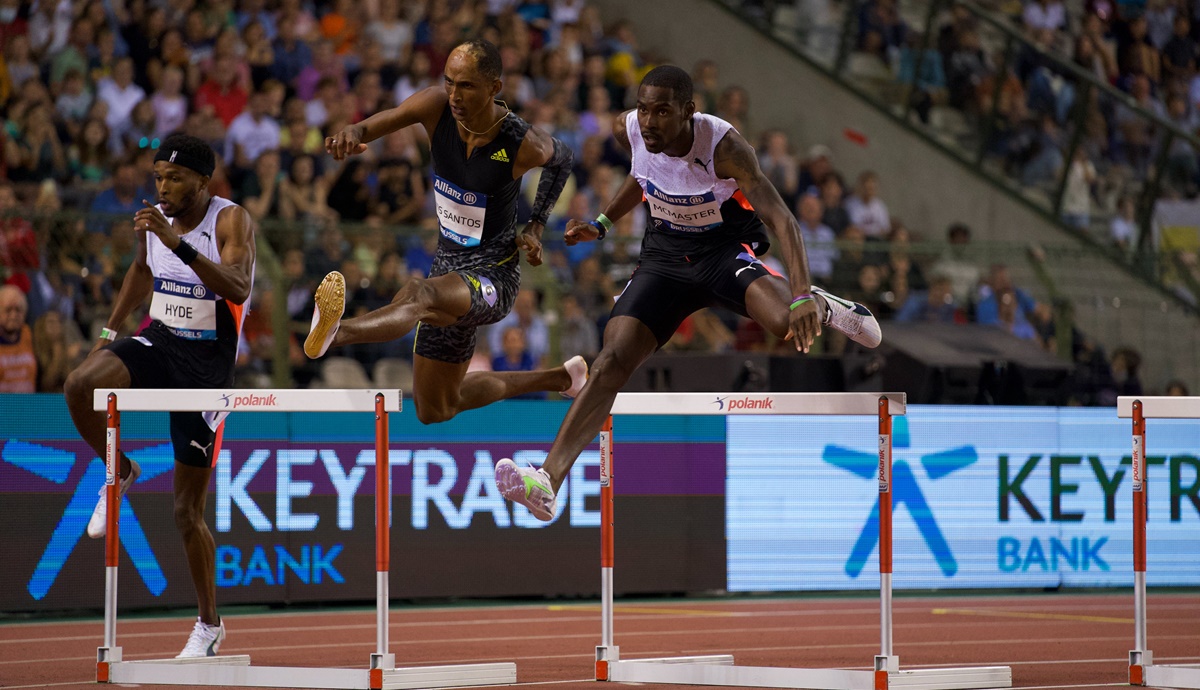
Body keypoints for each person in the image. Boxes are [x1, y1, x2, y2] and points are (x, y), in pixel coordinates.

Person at [494, 65, 882, 521]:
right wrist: (601, 224)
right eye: (643, 109)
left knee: (784, 322)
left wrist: (799, 295)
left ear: (688, 112)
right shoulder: (629, 128)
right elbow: (642, 176)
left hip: (722, 254)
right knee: (611, 360)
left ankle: (823, 303)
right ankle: (548, 481)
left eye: (662, 111)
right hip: (664, 260)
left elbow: (783, 220)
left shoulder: (725, 147)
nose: (650, 121)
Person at [309, 39, 586, 424]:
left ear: (494, 88)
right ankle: (560, 377)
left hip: (493, 277)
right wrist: (355, 131)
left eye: (467, 85)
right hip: (448, 269)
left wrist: (536, 226)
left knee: (417, 293)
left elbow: (564, 159)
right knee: (435, 408)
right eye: (449, 81)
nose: (454, 94)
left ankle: (334, 334)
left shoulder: (521, 142)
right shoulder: (435, 106)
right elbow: (384, 119)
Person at [63, 133, 256, 659]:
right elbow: (142, 271)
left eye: (173, 179)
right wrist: (107, 332)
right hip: (160, 340)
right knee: (80, 385)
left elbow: (237, 287)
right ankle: (120, 469)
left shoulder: (230, 220)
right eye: (157, 178)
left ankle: (208, 623)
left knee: (185, 513)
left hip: (207, 367)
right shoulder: (155, 219)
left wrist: (178, 244)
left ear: (203, 181)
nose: (163, 188)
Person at [0, 285, 37, 392]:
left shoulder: (28, 334)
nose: (13, 315)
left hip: (28, 404)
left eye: (18, 310)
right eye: (8, 310)